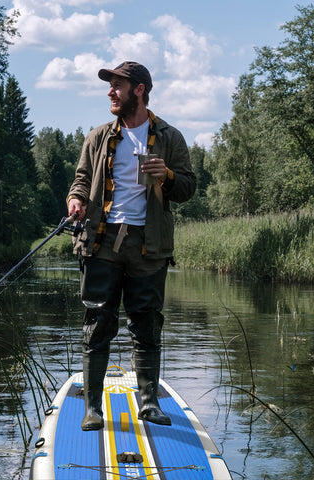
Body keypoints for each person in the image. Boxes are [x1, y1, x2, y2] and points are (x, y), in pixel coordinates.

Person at [67, 61, 196, 431]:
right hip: (101, 240)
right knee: (97, 321)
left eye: (118, 85)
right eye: (110, 86)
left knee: (147, 324)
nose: (111, 91)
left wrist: (167, 175)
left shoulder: (170, 137)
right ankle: (93, 408)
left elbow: (188, 187)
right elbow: (80, 180)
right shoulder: (97, 137)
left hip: (149, 245)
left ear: (139, 89)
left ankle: (150, 404)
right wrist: (75, 201)